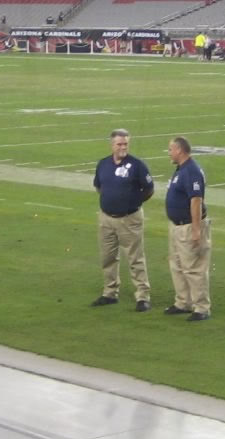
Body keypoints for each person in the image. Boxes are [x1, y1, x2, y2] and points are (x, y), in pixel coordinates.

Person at [90, 129, 155, 312]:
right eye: (119, 144)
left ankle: (143, 296)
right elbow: (99, 186)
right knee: (108, 257)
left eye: (125, 143)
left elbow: (149, 189)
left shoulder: (137, 165)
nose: (123, 147)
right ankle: (109, 292)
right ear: (112, 145)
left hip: (129, 218)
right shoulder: (103, 164)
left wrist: (133, 202)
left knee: (135, 258)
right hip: (106, 218)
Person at [163, 137, 210, 322]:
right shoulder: (181, 169)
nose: (169, 153)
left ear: (179, 150)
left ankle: (201, 307)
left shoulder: (191, 170)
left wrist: (196, 230)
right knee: (178, 266)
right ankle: (183, 302)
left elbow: (196, 200)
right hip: (177, 226)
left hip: (189, 226)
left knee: (193, 268)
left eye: (170, 149)